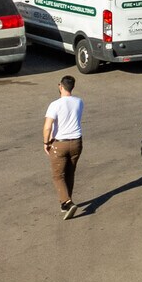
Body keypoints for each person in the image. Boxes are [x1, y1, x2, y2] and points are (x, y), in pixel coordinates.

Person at [43, 75, 85, 219]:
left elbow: (47, 127)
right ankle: (66, 202)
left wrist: (46, 143)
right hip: (77, 142)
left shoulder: (55, 104)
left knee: (57, 176)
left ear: (61, 86)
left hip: (60, 144)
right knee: (70, 172)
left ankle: (67, 202)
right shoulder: (79, 102)